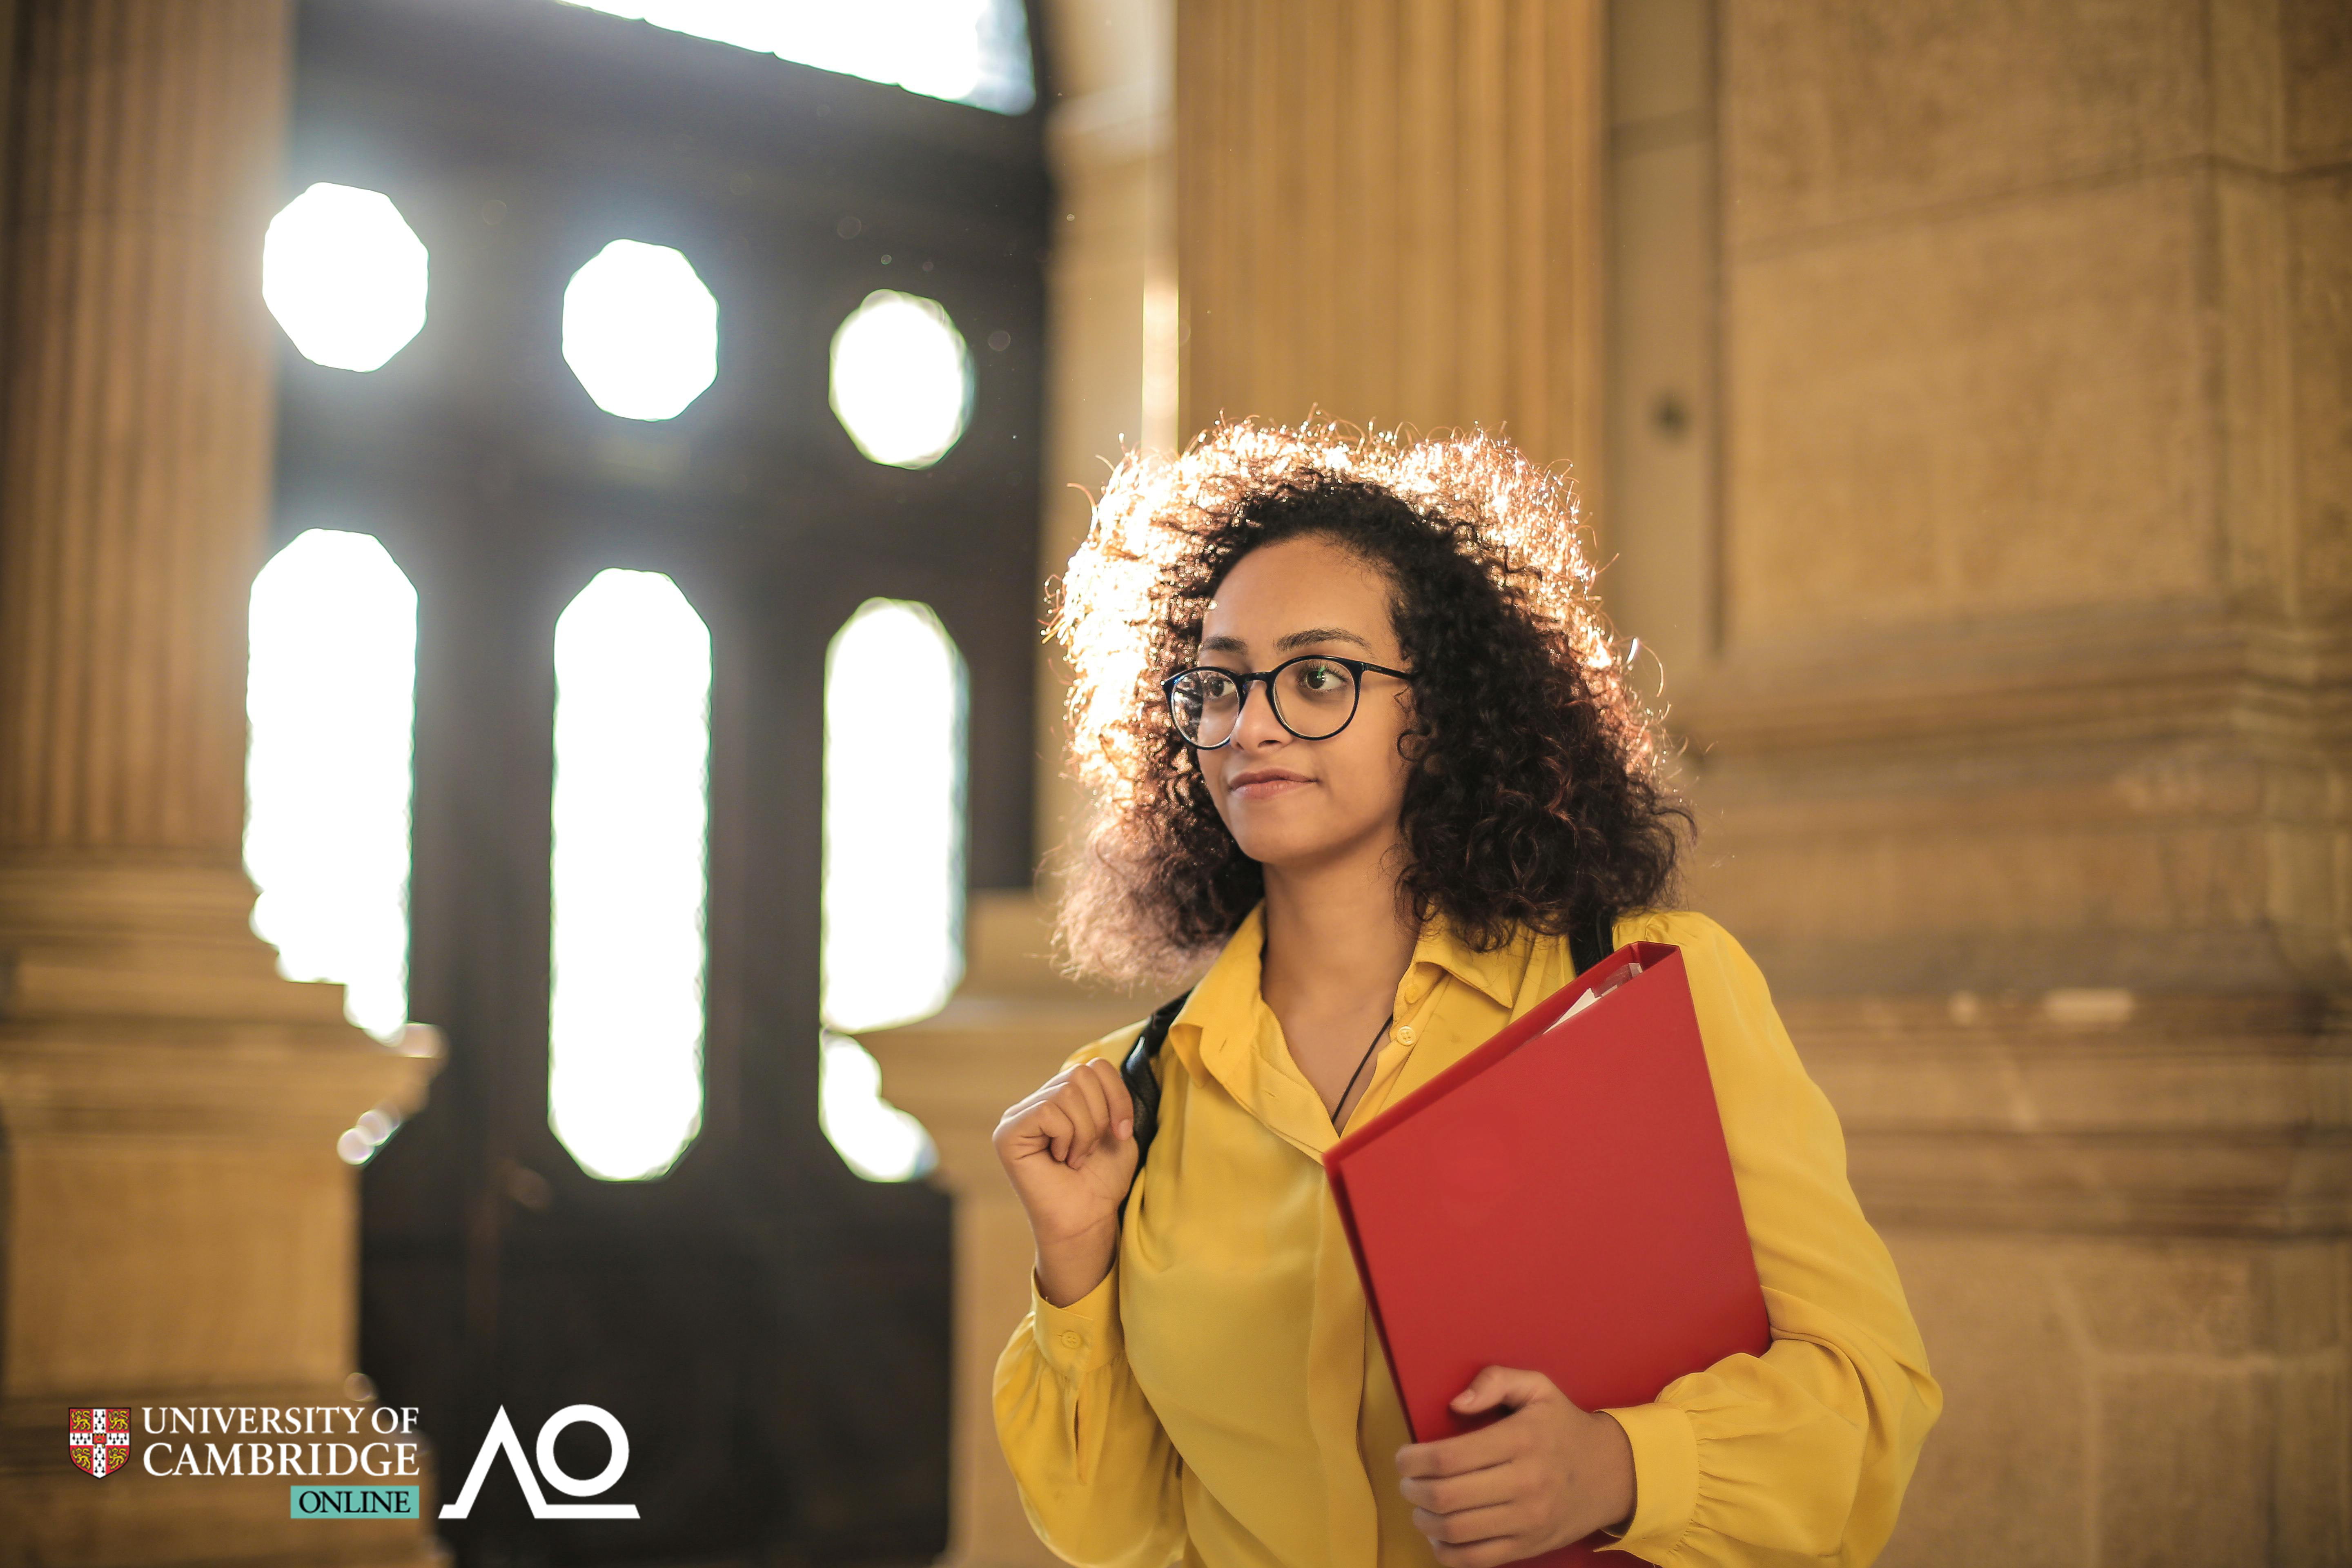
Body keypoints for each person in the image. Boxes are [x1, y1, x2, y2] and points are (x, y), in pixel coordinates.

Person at [991, 421, 1940, 1568]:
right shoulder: (1139, 1096)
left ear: (1435, 715)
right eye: (1219, 684)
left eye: (1319, 677)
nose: (1252, 727)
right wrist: (1078, 1267)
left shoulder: (1644, 992)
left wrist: (1621, 1467)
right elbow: (1114, 1532)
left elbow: (1869, 1405)